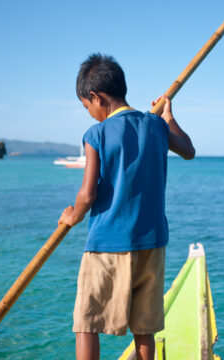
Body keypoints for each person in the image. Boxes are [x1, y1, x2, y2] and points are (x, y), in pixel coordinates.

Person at [58, 53, 195, 360]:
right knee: (144, 328)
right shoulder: (157, 126)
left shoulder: (97, 134)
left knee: (87, 323)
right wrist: (169, 117)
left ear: (96, 97)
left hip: (109, 242)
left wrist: (72, 218)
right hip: (152, 242)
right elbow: (188, 150)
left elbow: (87, 195)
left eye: (87, 106)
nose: (90, 114)